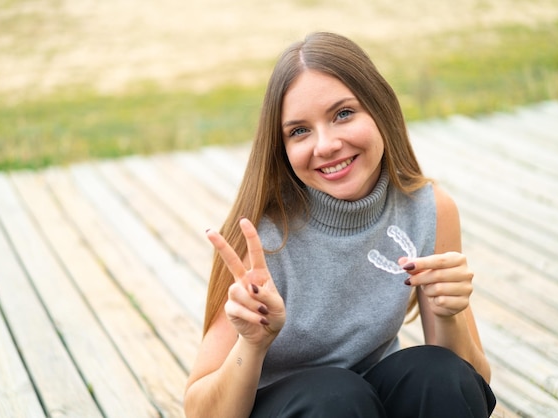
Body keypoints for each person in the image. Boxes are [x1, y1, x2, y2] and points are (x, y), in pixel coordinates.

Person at [184, 32, 496, 417]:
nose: (326, 144)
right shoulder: (259, 239)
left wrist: (449, 315)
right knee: (334, 396)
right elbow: (200, 411)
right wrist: (251, 344)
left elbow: (473, 382)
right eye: (299, 131)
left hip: (366, 403)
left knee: (438, 374)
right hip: (299, 407)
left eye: (343, 114)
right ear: (282, 148)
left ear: (380, 109)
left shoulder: (428, 210)